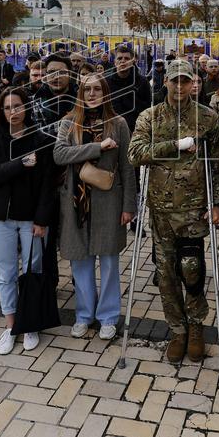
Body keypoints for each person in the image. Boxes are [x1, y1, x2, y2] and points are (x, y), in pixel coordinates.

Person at [128, 59, 219, 364]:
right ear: (166, 83)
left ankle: (196, 327)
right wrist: (175, 145)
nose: (181, 86)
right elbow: (135, 155)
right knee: (166, 273)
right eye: (175, 81)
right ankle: (178, 330)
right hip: (160, 211)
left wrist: (218, 203)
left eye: (186, 80)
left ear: (194, 83)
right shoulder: (151, 117)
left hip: (194, 209)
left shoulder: (209, 119)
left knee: (192, 269)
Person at [54, 73, 136, 340]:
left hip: (108, 202)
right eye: (86, 90)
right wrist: (96, 147)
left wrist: (129, 206)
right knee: (81, 262)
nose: (91, 94)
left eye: (97, 89)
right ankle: (84, 314)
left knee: (110, 262)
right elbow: (59, 154)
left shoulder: (118, 123)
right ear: (80, 93)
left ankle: (108, 316)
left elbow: (126, 166)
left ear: (105, 92)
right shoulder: (69, 122)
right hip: (75, 202)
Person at [0, 87, 57, 354]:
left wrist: (42, 220)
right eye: (8, 107)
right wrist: (20, 164)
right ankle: (11, 324)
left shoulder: (41, 139)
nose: (13, 112)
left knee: (33, 272)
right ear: (1, 111)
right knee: (7, 274)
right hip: (1, 218)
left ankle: (30, 322)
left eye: (18, 106)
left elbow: (49, 185)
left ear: (27, 108)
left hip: (31, 220)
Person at [106, 45, 152, 133]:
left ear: (132, 61)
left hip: (135, 129)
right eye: (119, 58)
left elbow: (147, 108)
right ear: (115, 62)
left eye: (127, 58)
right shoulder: (107, 82)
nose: (123, 61)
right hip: (112, 130)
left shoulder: (142, 81)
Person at [33, 54, 77, 134]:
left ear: (70, 75)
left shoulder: (81, 100)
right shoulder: (34, 102)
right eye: (51, 72)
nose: (56, 77)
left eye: (62, 72)